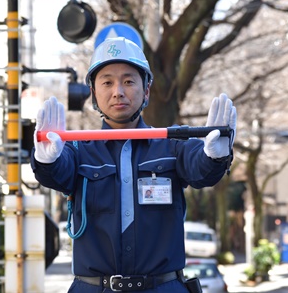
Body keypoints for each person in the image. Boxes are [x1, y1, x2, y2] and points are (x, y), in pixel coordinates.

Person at [31, 37, 237, 293]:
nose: (118, 91)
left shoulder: (171, 144)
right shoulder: (77, 150)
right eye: (107, 82)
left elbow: (200, 169)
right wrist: (46, 159)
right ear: (94, 93)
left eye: (128, 81)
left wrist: (215, 156)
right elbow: (57, 174)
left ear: (146, 90)